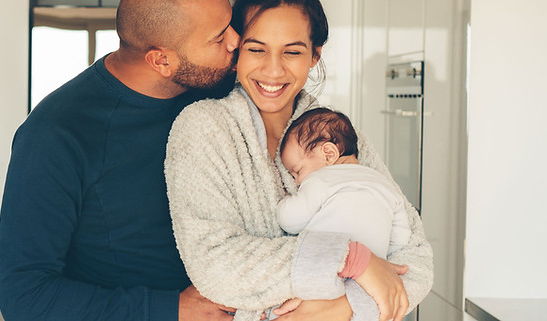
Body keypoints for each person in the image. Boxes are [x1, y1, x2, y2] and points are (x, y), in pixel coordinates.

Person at [164, 0, 434, 320]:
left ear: (314, 55)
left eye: (292, 52)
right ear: (235, 53)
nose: (274, 70)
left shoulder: (338, 137)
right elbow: (214, 263)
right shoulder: (202, 127)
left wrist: (343, 307)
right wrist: (352, 260)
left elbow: (415, 260)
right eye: (256, 50)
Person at [0, 0, 242, 319]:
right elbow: (24, 296)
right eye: (218, 37)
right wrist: (171, 310)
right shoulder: (55, 134)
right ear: (161, 60)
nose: (237, 40)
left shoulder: (213, 90)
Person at [277, 107, 411, 259]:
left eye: (298, 171)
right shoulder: (385, 184)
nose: (297, 182)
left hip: (328, 264)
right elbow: (400, 239)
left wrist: (286, 201)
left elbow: (290, 220)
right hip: (371, 272)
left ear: (329, 154)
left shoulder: (320, 180)